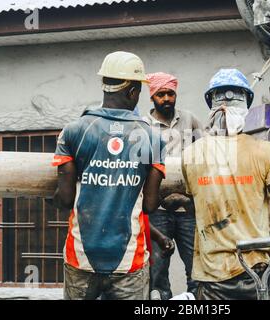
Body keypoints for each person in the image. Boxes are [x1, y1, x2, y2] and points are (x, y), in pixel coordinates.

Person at [52, 51, 174, 300]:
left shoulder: (74, 131)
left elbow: (65, 200)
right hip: (129, 260)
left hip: (81, 257)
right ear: (132, 92)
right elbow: (150, 204)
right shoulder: (152, 138)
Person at [181, 69, 270, 300]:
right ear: (246, 105)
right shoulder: (264, 150)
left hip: (213, 276)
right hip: (257, 273)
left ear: (211, 104)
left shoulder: (191, 154)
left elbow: (196, 208)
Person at [143, 72, 203, 300]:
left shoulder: (190, 120)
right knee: (157, 272)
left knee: (197, 268)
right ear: (152, 97)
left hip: (188, 209)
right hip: (156, 211)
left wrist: (187, 197)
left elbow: (206, 154)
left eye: (170, 93)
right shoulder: (143, 125)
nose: (166, 98)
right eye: (161, 94)